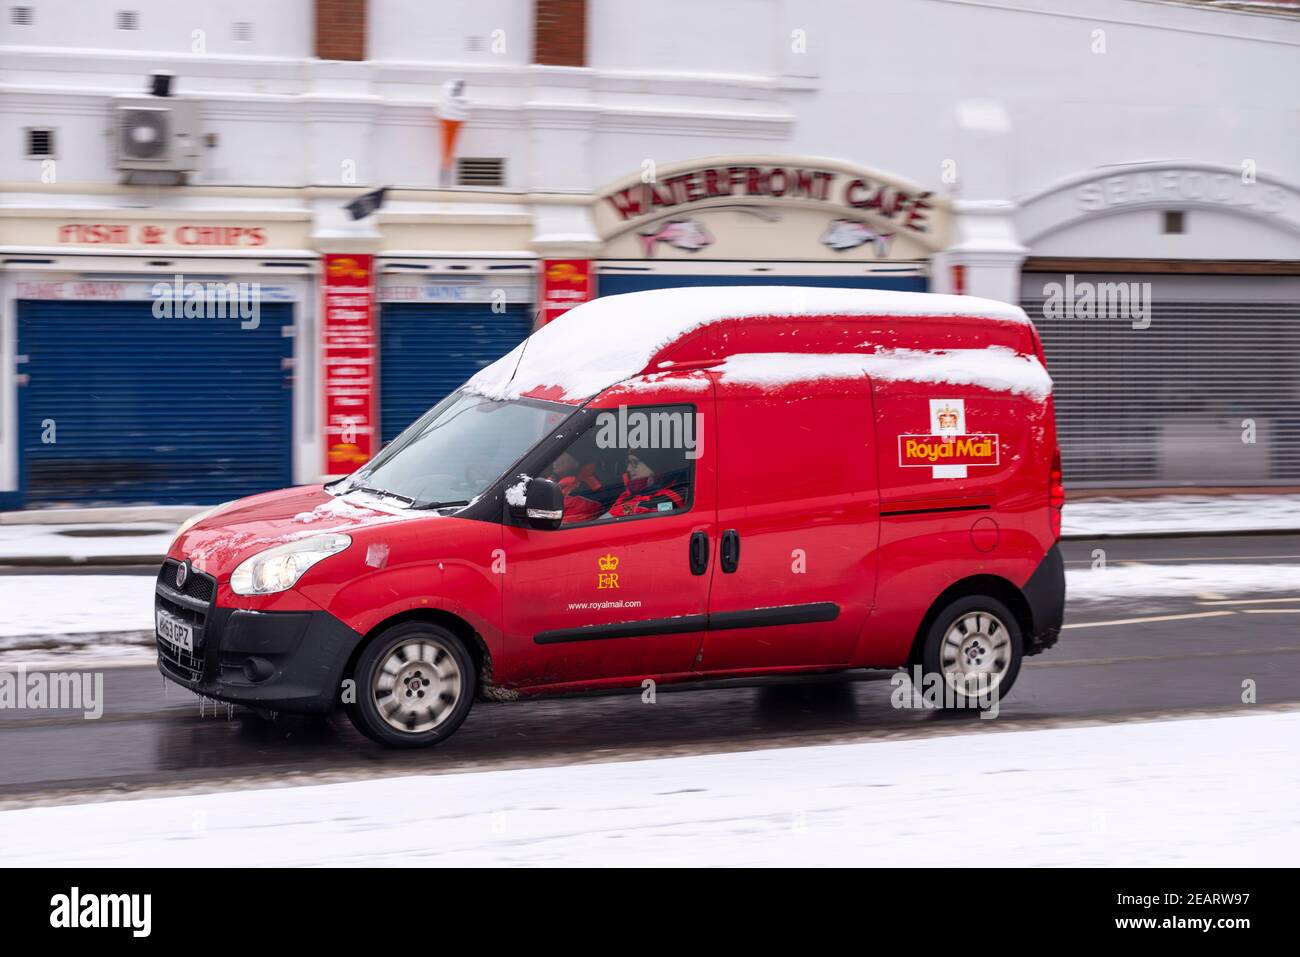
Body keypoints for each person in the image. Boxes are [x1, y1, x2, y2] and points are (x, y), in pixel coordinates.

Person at [608, 448, 687, 517]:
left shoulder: (671, 497)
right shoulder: (630, 493)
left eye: (635, 463)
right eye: (628, 463)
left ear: (653, 467)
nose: (628, 468)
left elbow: (652, 509)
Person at [548, 448, 605, 523]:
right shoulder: (555, 479)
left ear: (576, 461)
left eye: (561, 454)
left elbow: (562, 525)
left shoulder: (587, 489)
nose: (555, 459)